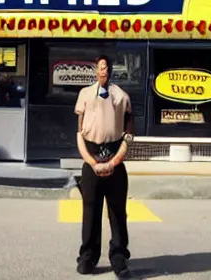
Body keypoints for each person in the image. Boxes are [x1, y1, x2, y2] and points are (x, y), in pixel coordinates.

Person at [74, 55, 134, 278]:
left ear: (111, 71)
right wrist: (91, 161)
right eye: (100, 67)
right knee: (90, 211)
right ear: (95, 70)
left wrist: (116, 159)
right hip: (92, 155)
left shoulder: (121, 96)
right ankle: (88, 256)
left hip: (115, 156)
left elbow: (129, 129)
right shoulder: (85, 95)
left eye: (107, 67)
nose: (104, 70)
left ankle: (119, 257)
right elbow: (79, 132)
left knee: (117, 212)